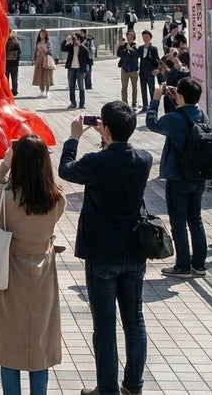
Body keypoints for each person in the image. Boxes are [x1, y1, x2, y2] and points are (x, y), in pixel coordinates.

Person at [58, 101, 151, 395]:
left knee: (105, 325)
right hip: (134, 249)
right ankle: (133, 384)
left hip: (101, 252)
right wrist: (108, 137)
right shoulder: (144, 158)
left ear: (106, 128)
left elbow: (65, 170)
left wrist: (73, 137)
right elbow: (119, 156)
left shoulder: (95, 163)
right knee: (134, 320)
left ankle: (107, 388)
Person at [0, 134, 66, 395]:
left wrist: (5, 165)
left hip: (9, 277)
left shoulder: (4, 196)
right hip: (42, 278)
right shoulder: (56, 199)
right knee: (39, 349)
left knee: (9, 349)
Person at [146, 75, 209, 278]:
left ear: (179, 96)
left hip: (178, 176)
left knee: (178, 222)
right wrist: (178, 99)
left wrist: (156, 99)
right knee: (196, 220)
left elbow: (152, 123)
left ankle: (182, 265)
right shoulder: (202, 115)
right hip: (199, 176)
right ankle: (199, 265)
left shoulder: (173, 118)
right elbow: (186, 114)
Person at [61, 30, 92, 109]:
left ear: (80, 39)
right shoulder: (71, 46)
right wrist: (66, 40)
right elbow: (62, 48)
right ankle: (73, 102)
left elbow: (89, 57)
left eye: (76, 39)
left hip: (80, 69)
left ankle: (82, 103)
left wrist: (80, 45)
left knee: (81, 87)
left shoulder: (83, 47)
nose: (75, 41)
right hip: (71, 68)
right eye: (74, 39)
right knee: (71, 86)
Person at [136, 31, 160, 113]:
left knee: (151, 90)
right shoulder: (140, 48)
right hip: (142, 72)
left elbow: (157, 60)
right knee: (143, 89)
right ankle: (144, 106)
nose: (144, 38)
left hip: (150, 72)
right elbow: (135, 56)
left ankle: (153, 106)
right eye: (143, 36)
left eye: (146, 36)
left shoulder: (153, 49)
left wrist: (156, 69)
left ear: (150, 38)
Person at [116, 30, 139, 110]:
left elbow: (136, 55)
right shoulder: (124, 46)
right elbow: (118, 54)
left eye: (130, 36)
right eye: (127, 36)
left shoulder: (136, 46)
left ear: (133, 37)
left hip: (133, 69)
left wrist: (130, 49)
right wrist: (120, 46)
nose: (128, 38)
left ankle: (134, 103)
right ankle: (124, 103)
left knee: (134, 87)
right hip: (124, 69)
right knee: (124, 87)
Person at [31, 28, 55, 98]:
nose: (42, 35)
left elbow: (51, 52)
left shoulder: (48, 42)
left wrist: (46, 50)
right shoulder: (37, 42)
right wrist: (35, 59)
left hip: (46, 60)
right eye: (41, 34)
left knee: (46, 76)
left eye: (43, 34)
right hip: (39, 60)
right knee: (39, 75)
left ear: (46, 35)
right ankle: (41, 91)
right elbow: (35, 51)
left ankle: (47, 91)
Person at [5, 28, 22, 96]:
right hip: (14, 63)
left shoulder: (5, 42)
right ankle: (14, 91)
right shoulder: (15, 42)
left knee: (6, 78)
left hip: (7, 63)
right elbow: (19, 52)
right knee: (14, 78)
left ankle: (6, 91)